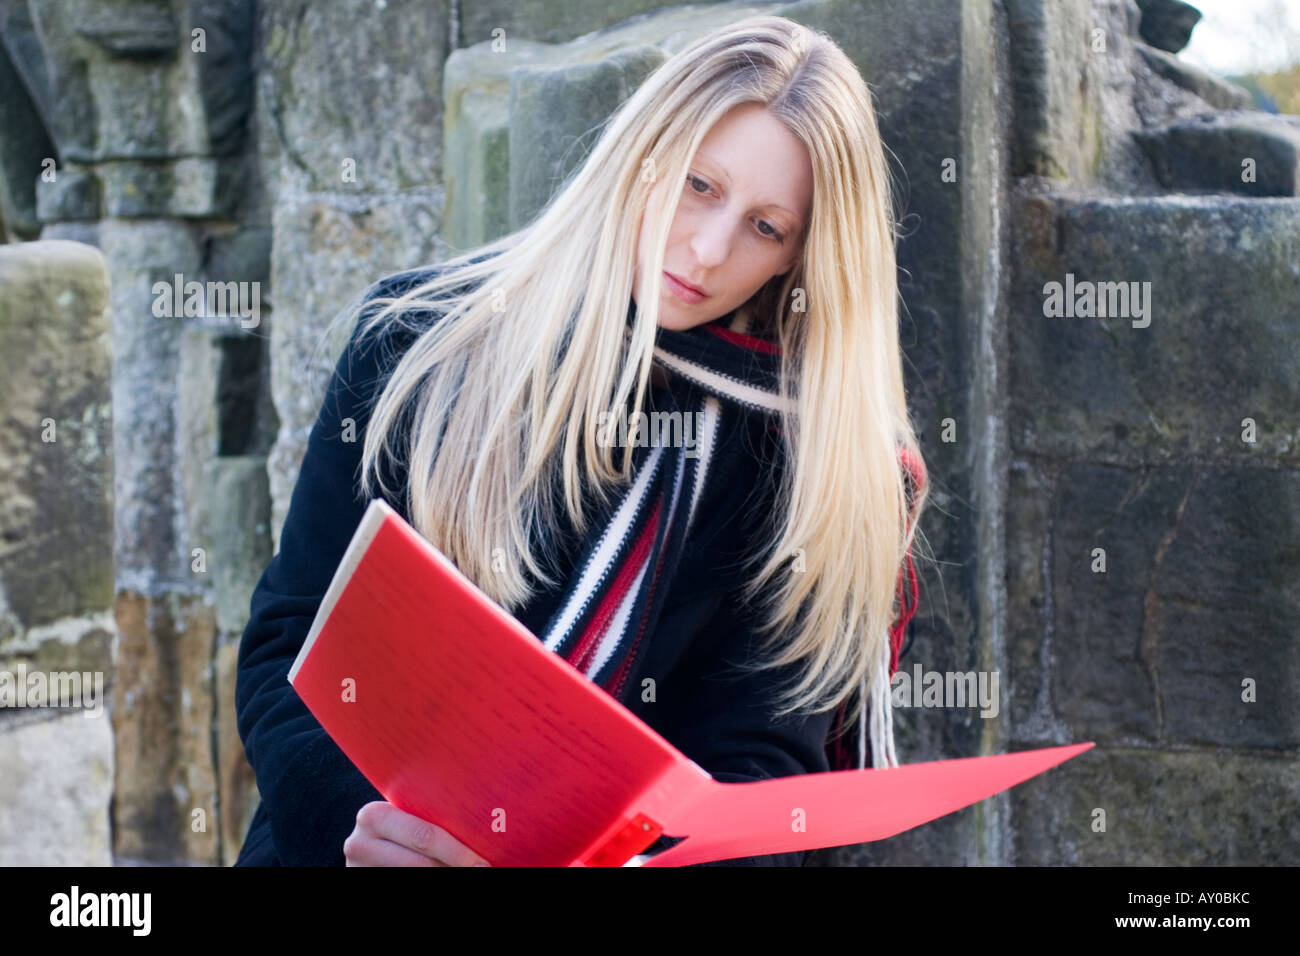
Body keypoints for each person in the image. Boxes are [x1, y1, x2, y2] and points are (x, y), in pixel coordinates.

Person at [234, 14, 927, 868]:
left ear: (799, 256)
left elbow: (760, 773)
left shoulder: (800, 460)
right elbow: (293, 647)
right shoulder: (419, 341)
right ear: (644, 152)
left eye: (765, 227)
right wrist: (390, 835)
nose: (707, 250)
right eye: (699, 185)